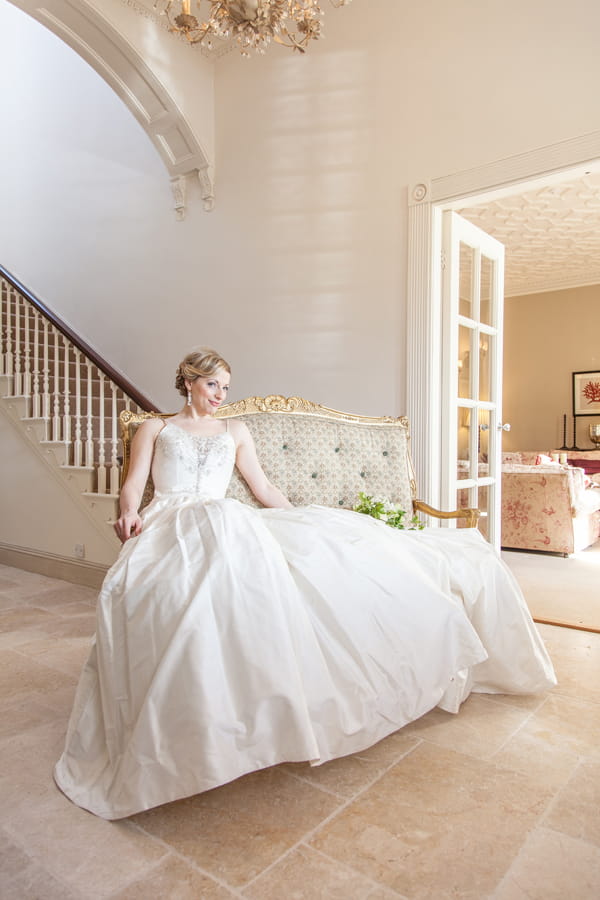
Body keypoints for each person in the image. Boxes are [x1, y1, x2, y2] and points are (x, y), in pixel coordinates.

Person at [54, 347, 555, 820]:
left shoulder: (235, 430)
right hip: (170, 519)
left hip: (228, 519)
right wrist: (129, 515)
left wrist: (304, 520)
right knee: (189, 591)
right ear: (188, 380)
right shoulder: (156, 428)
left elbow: (263, 487)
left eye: (226, 387)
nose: (220, 395)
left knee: (287, 574)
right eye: (212, 384)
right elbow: (132, 484)